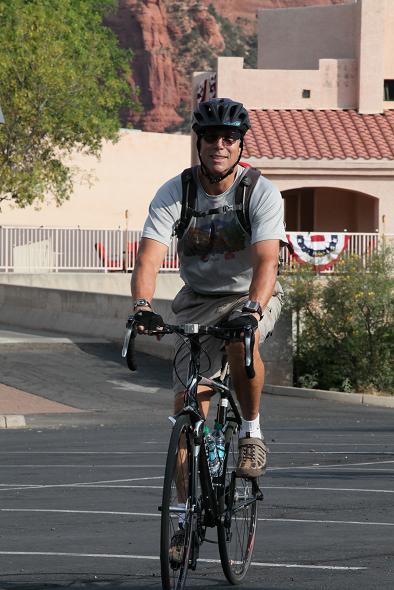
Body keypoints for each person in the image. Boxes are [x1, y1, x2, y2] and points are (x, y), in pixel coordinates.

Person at [131, 97, 287, 480]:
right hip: (197, 301)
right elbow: (148, 259)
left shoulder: (259, 192)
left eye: (229, 137)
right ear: (198, 143)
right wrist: (142, 306)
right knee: (188, 411)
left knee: (241, 342)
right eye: (211, 136)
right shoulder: (175, 193)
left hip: (248, 295)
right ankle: (183, 519)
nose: (220, 144)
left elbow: (268, 261)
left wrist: (253, 310)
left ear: (240, 144)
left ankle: (251, 431)